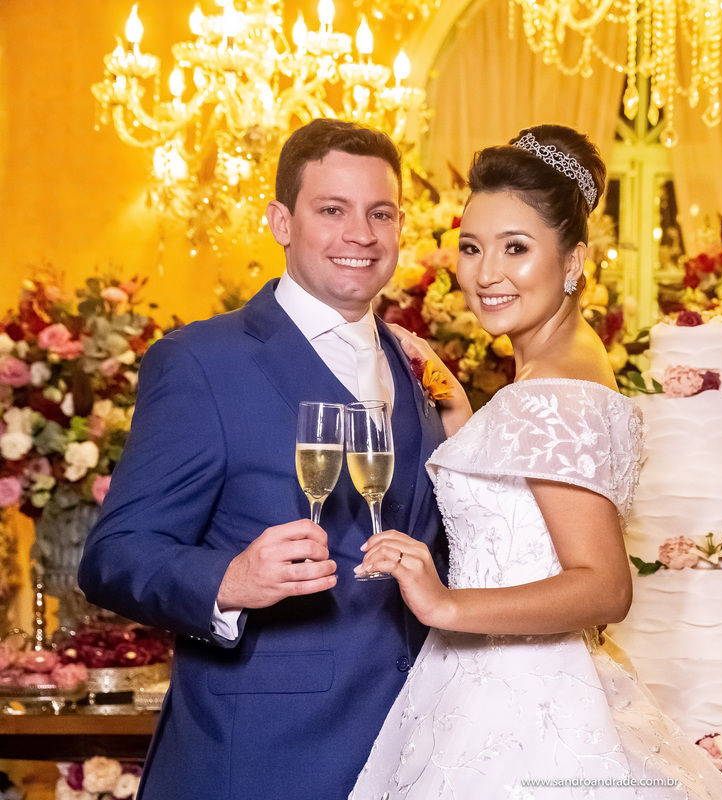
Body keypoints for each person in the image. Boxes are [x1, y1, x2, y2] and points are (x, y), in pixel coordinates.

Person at [350, 125, 722, 798]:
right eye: (471, 247)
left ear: (575, 260)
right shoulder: (569, 367)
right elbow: (529, 504)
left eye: (516, 248)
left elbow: (604, 588)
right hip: (516, 688)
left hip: (516, 710)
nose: (486, 273)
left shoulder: (553, 393)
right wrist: (462, 414)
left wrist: (443, 603)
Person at [77, 119, 447, 799]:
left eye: (380, 213)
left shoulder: (416, 363)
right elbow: (113, 556)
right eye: (331, 210)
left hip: (417, 750)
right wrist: (228, 579)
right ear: (281, 222)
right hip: (261, 760)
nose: (361, 234)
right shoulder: (201, 363)